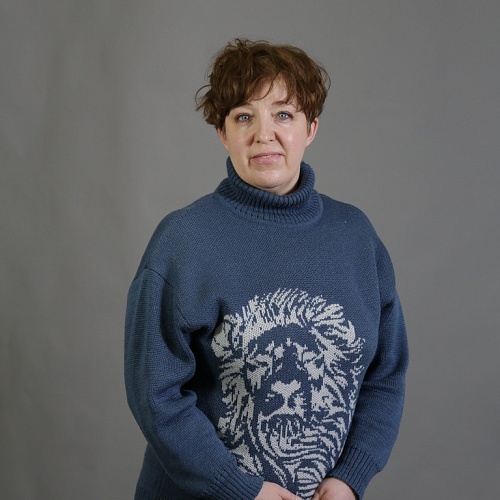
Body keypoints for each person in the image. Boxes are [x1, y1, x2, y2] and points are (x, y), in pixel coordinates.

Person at [125, 38, 408, 500]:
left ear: (310, 128)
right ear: (223, 132)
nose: (264, 134)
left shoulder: (356, 237)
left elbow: (386, 374)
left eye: (283, 114)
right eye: (243, 116)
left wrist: (350, 477)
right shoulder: (183, 241)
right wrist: (240, 489)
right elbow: (155, 395)